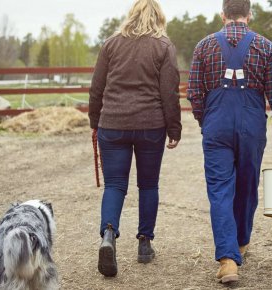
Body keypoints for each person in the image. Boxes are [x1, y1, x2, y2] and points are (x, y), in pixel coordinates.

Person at [187, 0, 272, 283]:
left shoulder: (204, 46)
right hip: (251, 125)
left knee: (220, 190)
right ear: (249, 15)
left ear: (223, 15)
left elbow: (194, 93)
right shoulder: (266, 46)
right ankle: (241, 243)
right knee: (247, 186)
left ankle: (228, 259)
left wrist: (206, 121)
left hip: (216, 124)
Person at [89, 0, 181, 278]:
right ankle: (144, 244)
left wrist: (95, 122)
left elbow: (97, 87)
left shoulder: (111, 44)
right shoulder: (164, 46)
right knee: (148, 184)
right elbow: (170, 93)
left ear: (131, 16)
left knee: (115, 185)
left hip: (113, 124)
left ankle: (108, 234)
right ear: (159, 18)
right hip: (150, 125)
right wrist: (174, 129)